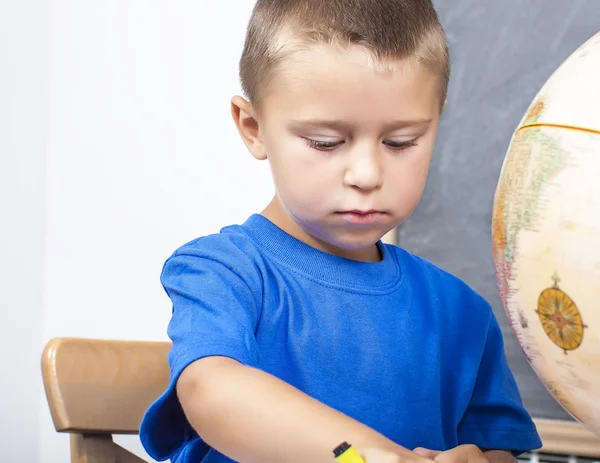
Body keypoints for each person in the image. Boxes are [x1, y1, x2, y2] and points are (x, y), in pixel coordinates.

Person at [139, 1, 543, 462]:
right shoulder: (223, 273)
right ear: (254, 128)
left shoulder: (462, 314)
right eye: (326, 142)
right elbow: (212, 392)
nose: (367, 174)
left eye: (401, 141)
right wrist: (365, 455)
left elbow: (500, 452)